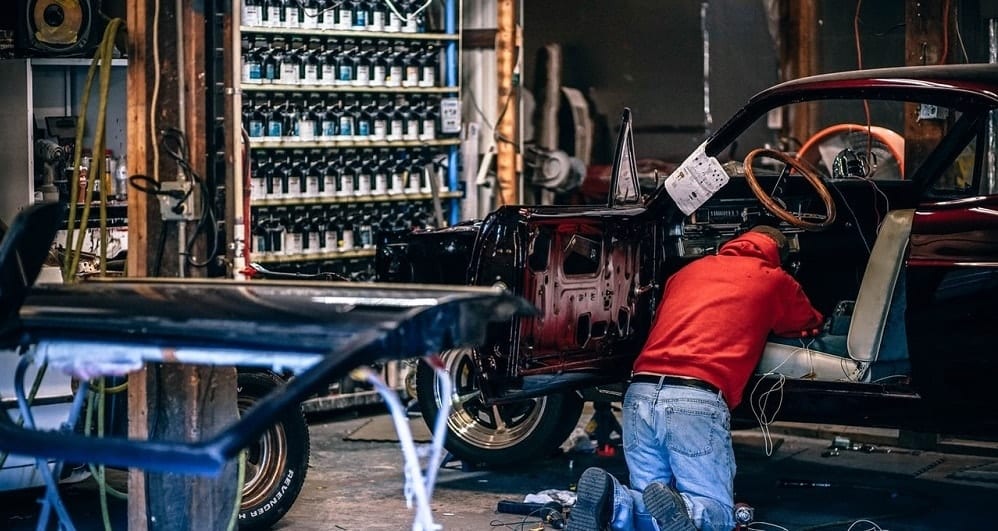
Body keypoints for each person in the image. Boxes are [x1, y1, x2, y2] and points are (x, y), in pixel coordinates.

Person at [567, 225, 824, 531]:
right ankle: (687, 507)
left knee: (649, 505)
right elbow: (808, 321)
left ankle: (614, 502)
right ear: (778, 255)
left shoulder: (687, 271)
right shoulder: (774, 279)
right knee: (718, 513)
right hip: (694, 398)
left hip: (640, 392)